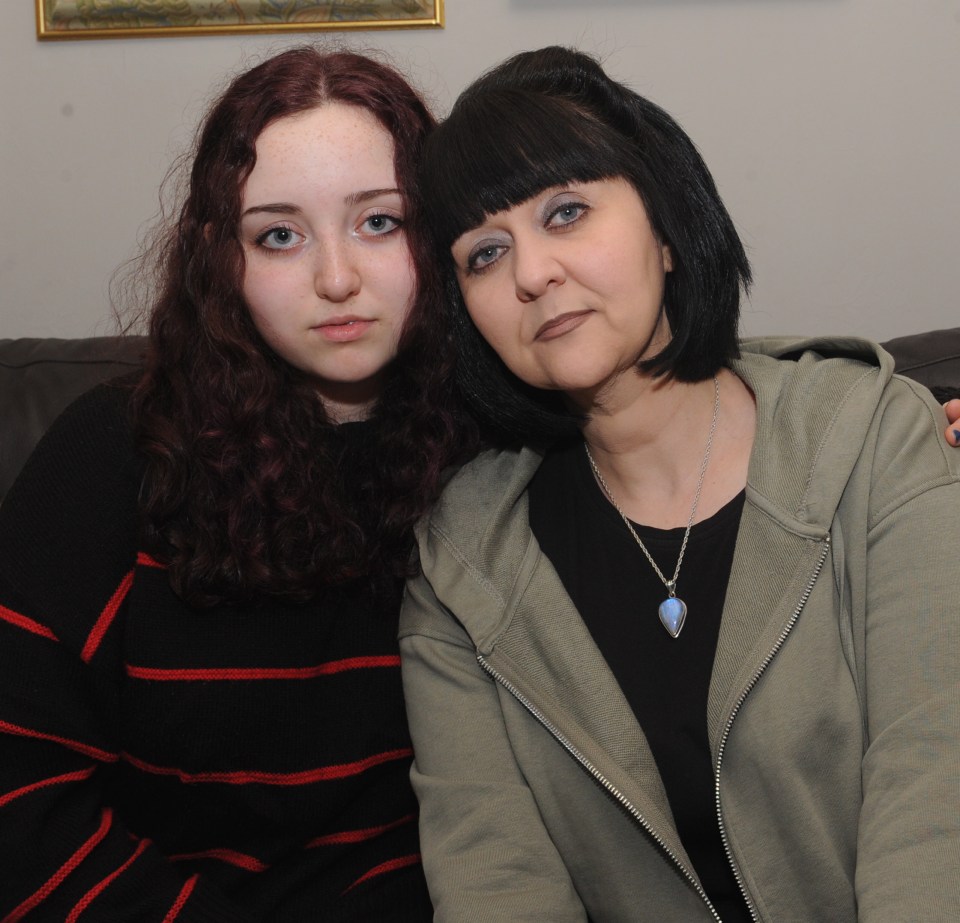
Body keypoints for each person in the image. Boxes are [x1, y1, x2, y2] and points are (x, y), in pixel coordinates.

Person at [399, 45, 960, 921]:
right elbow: (495, 883)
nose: (532, 273)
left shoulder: (875, 437)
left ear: (664, 227)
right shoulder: (460, 568)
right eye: (483, 254)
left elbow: (934, 787)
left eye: (568, 211)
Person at [0, 47, 477, 921]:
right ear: (224, 261)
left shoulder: (496, 458)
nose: (337, 278)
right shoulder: (116, 457)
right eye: (280, 235)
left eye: (380, 222)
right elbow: (19, 796)